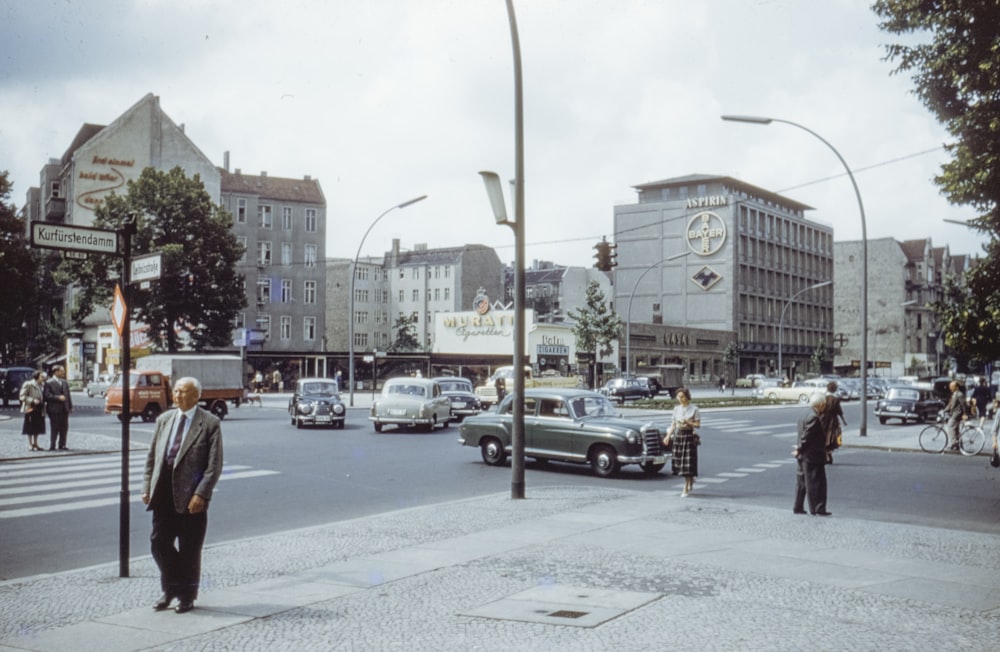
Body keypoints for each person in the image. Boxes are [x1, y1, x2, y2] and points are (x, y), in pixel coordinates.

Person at [142, 377, 224, 614]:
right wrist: (146, 487)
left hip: (191, 498)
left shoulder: (209, 423)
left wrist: (201, 494)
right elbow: (152, 457)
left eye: (184, 392)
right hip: (163, 493)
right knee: (158, 543)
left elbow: (214, 465)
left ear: (197, 396)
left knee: (190, 548)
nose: (178, 396)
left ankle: (185, 596)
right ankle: (171, 588)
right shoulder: (164, 419)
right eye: (176, 391)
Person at [793, 392, 832, 516]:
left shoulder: (804, 413)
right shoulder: (814, 417)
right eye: (824, 405)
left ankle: (798, 506)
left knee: (802, 483)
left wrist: (799, 450)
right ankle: (817, 508)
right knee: (816, 483)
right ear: (820, 405)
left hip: (803, 456)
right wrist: (799, 448)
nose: (825, 407)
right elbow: (806, 437)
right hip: (812, 456)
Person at [665, 387, 700, 497]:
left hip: (688, 436)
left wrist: (689, 423)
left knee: (687, 464)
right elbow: (673, 424)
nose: (680, 399)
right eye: (678, 397)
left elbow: (698, 425)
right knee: (680, 462)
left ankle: (685, 487)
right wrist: (667, 436)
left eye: (682, 397)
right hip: (678, 436)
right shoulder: (676, 409)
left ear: (687, 397)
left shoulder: (694, 409)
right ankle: (690, 480)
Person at [43, 365, 73, 451]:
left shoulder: (64, 382)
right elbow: (47, 395)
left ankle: (62, 444)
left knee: (64, 427)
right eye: (61, 371)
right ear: (56, 372)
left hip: (64, 409)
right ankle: (53, 445)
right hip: (54, 409)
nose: (63, 372)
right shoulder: (49, 383)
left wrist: (70, 406)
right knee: (55, 427)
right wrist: (58, 397)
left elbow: (68, 395)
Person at [19, 370, 46, 452]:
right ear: (37, 376)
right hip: (31, 408)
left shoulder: (42, 385)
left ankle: (36, 443)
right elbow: (22, 396)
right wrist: (32, 400)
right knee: (30, 426)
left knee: (38, 426)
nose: (43, 378)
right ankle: (30, 444)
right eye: (41, 376)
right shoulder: (29, 384)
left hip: (39, 408)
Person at [823, 381, 847, 463]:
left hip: (824, 419)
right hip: (833, 420)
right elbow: (840, 411)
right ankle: (829, 453)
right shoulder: (836, 399)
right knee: (833, 436)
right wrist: (844, 421)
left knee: (824, 436)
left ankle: (826, 454)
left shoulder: (824, 398)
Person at [944, 380, 967, 451]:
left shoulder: (959, 394)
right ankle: (958, 445)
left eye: (952, 386)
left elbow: (964, 405)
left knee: (950, 425)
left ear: (956, 387)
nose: (950, 388)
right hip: (954, 413)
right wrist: (945, 410)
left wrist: (965, 414)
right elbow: (951, 404)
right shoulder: (955, 394)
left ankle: (954, 443)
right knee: (956, 429)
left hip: (957, 414)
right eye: (950, 386)